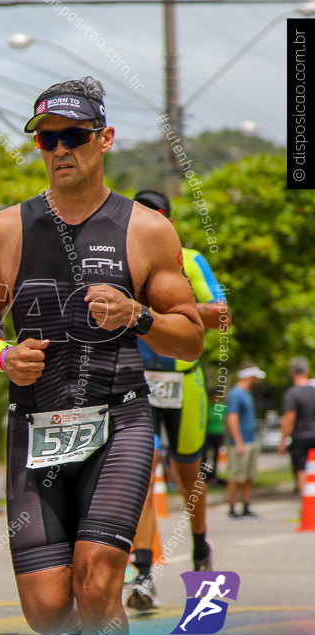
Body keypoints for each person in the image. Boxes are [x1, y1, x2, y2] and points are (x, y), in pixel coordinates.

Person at [0, 77, 203, 635]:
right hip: (36, 426)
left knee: (97, 582)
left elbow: (192, 338)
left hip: (118, 423)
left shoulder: (146, 230)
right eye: (47, 139)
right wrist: (4, 355)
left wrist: (138, 315)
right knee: (48, 612)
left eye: (74, 135)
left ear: (105, 139)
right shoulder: (8, 228)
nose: (60, 149)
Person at [124, 189, 229, 611]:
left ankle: (201, 548)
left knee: (189, 478)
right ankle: (144, 572)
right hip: (137, 382)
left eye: (158, 218)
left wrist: (158, 309)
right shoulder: (120, 259)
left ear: (168, 221)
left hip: (183, 381)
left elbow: (222, 313)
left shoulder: (188, 258)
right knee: (141, 477)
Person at [225, 363, 265, 519]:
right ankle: (232, 509)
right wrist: (239, 442)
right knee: (236, 476)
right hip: (240, 443)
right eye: (254, 377)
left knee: (248, 476)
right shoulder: (236, 394)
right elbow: (232, 419)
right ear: (249, 376)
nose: (255, 380)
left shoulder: (247, 393)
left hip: (251, 440)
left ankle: (246, 507)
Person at [278, 357, 315, 510]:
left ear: (292, 373)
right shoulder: (313, 391)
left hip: (300, 437)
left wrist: (283, 441)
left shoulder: (293, 393)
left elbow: (289, 419)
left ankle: (306, 508)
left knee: (301, 471)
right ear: (306, 371)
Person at [203, 388, 227, 486]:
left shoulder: (221, 407)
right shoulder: (206, 406)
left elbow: (225, 420)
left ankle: (214, 476)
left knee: (216, 456)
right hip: (208, 433)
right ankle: (204, 475)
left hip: (218, 433)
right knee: (204, 455)